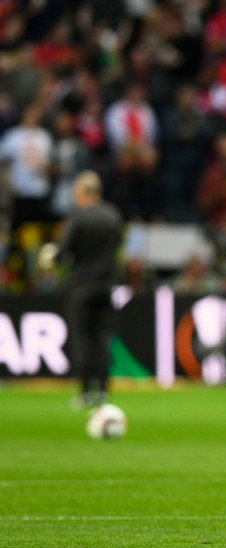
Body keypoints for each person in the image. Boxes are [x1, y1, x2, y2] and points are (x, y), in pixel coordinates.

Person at [46, 171, 123, 408]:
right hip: (106, 286)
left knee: (82, 339)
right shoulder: (113, 215)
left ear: (83, 193)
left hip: (81, 287)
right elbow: (117, 247)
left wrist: (51, 256)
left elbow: (63, 252)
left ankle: (85, 392)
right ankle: (103, 391)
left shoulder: (78, 218)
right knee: (102, 339)